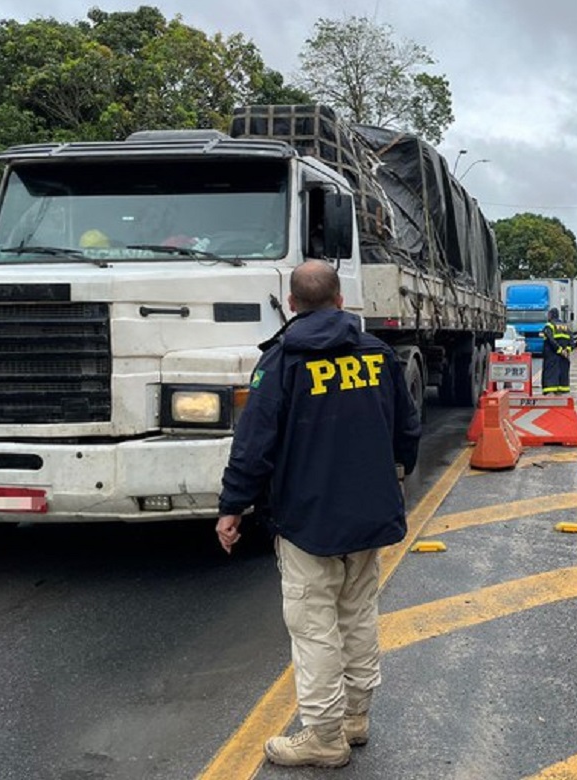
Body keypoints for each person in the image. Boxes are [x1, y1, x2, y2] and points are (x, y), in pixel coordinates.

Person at [215, 260, 421, 769]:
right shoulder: (378, 355)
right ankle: (356, 718)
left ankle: (325, 736)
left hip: (307, 521)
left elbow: (253, 446)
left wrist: (232, 508)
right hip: (368, 517)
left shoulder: (282, 362)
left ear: (291, 304)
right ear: (339, 301)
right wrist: (391, 477)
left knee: (314, 629)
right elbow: (407, 430)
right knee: (358, 615)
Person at [541, 307, 572, 394]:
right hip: (564, 356)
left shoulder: (549, 326)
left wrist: (559, 350)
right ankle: (560, 392)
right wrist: (566, 350)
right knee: (562, 373)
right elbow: (571, 341)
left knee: (551, 374)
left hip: (552, 355)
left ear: (551, 315)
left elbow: (551, 340)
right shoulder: (566, 327)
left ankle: (550, 393)